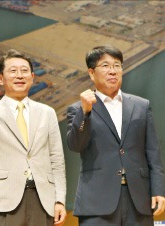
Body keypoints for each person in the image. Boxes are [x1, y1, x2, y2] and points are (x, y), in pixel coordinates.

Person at [67, 45, 165, 225]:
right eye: (105, 66)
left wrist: (158, 189)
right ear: (91, 73)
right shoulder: (78, 109)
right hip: (97, 201)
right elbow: (75, 145)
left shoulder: (141, 105)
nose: (112, 71)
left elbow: (153, 152)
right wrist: (85, 113)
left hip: (139, 199)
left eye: (117, 65)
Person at [0, 49, 66, 226]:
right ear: (0, 78)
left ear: (32, 76)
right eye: (13, 71)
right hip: (4, 199)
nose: (19, 75)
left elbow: (57, 160)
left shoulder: (47, 113)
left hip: (42, 198)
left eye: (24, 71)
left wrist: (60, 200)